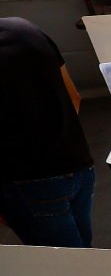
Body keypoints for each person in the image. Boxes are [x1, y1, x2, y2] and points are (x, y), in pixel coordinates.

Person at [0, 18, 95, 247]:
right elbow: (73, 97)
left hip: (26, 181)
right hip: (78, 166)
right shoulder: (26, 29)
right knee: (86, 260)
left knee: (65, 272)